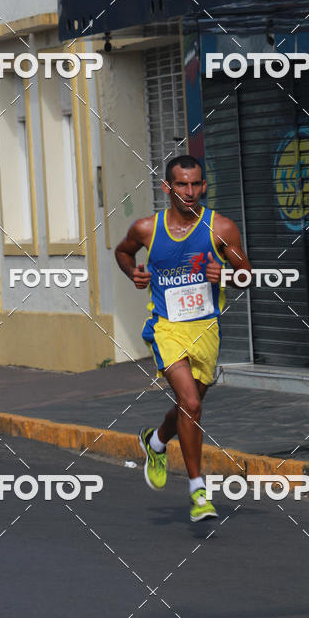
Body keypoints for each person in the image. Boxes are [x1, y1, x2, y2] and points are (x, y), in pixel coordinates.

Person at [115, 154, 252, 522]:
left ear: (203, 186)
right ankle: (198, 491)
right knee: (191, 403)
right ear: (167, 187)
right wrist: (134, 274)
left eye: (196, 184)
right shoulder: (147, 228)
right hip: (166, 327)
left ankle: (156, 441)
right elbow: (123, 252)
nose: (190, 192)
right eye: (182, 184)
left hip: (206, 329)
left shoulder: (221, 228)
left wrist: (223, 275)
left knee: (188, 408)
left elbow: (247, 274)